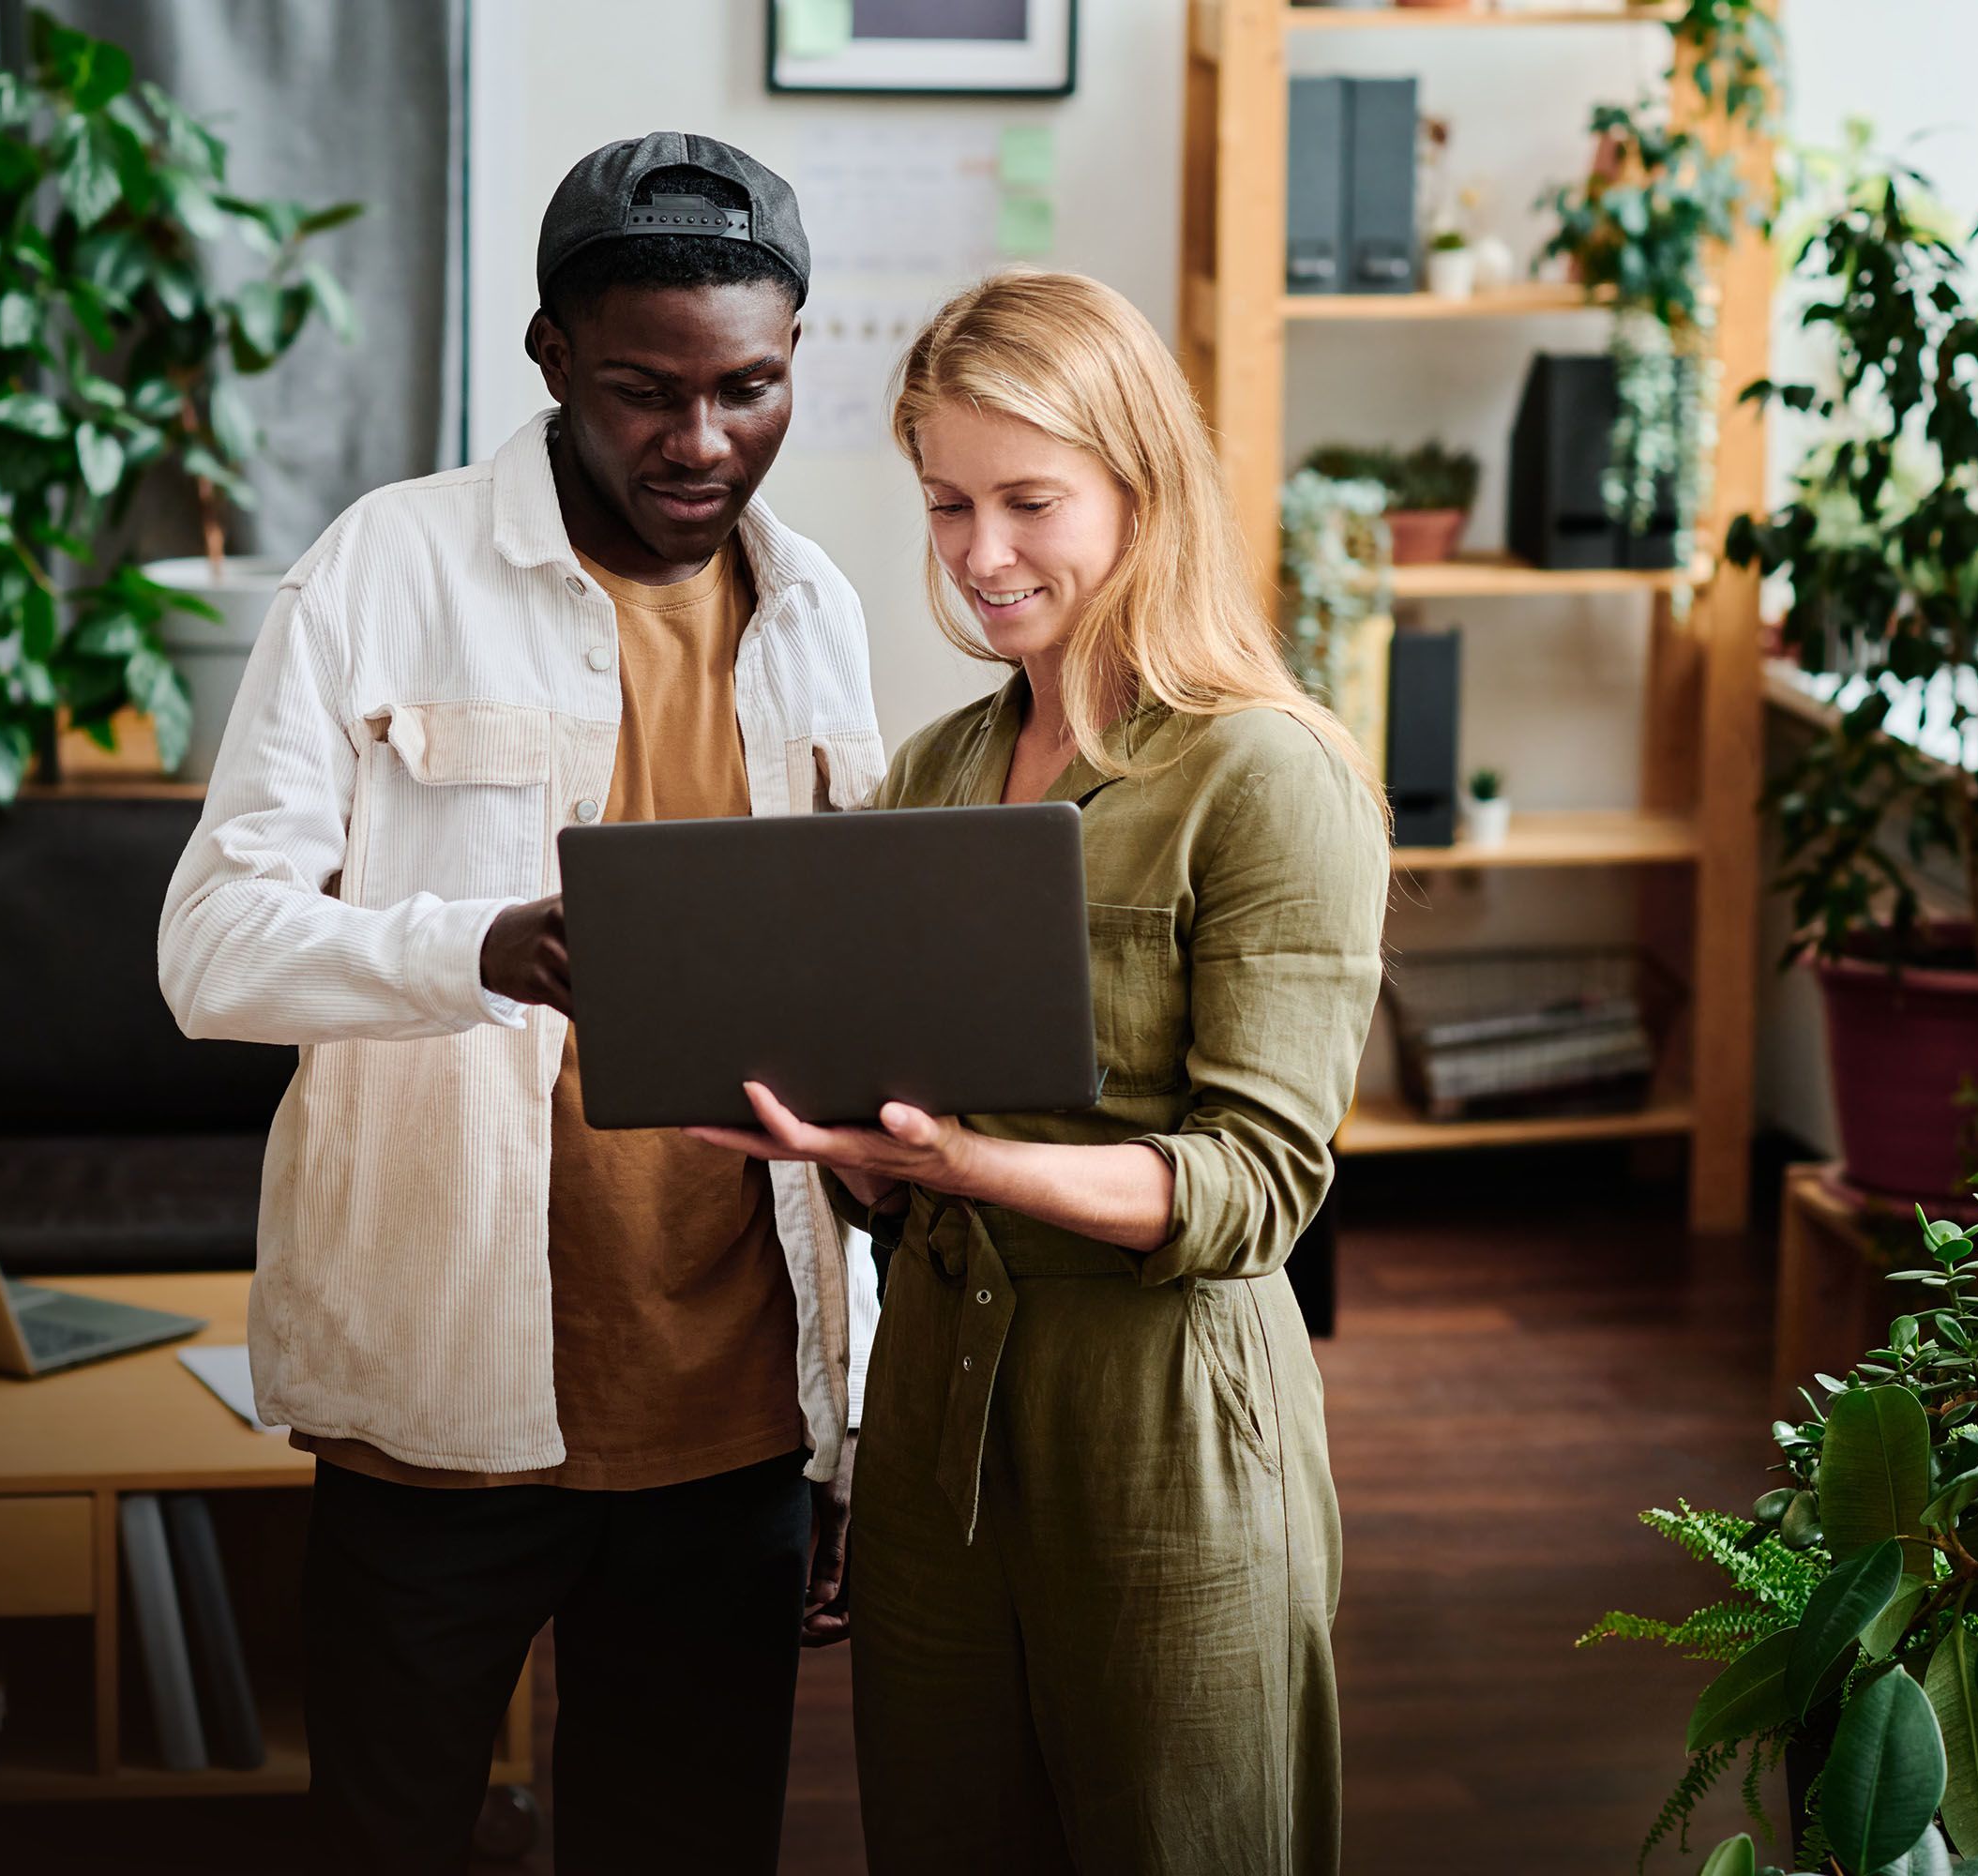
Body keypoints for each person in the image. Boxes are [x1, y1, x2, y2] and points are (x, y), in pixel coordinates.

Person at [156, 132, 884, 1875]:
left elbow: (851, 1033)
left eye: (750, 389)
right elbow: (210, 949)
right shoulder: (380, 570)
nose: (701, 443)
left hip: (736, 1411)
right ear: (551, 355)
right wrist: (468, 950)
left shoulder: (821, 613)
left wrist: (863, 1421)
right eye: (645, 392)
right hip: (443, 1395)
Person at [689, 269, 1391, 1874]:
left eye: (1029, 500)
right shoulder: (933, 771)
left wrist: (969, 1164)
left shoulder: (1266, 775)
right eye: (948, 502)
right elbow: (905, 1129)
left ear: (1141, 490)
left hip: (1163, 1424)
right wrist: (841, 1145)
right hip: (937, 1420)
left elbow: (1260, 1186)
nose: (980, 554)